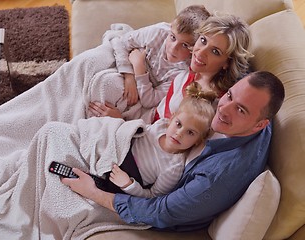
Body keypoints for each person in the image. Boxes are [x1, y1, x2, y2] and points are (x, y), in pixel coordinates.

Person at [62, 70, 285, 231]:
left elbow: (159, 210)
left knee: (55, 145)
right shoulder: (254, 96)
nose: (223, 110)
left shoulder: (216, 179)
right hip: (133, 149)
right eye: (229, 96)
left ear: (260, 125)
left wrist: (93, 192)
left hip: (143, 200)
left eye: (240, 109)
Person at [88, 12, 254, 125]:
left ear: (227, 62)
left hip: (137, 129)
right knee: (95, 63)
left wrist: (120, 121)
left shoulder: (204, 99)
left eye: (215, 51)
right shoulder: (188, 72)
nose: (200, 53)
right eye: (203, 41)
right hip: (135, 116)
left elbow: (166, 135)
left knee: (104, 85)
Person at [109, 82, 217, 198]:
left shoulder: (173, 168)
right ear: (171, 119)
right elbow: (135, 131)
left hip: (125, 175)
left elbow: (152, 196)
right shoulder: (160, 125)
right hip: (117, 148)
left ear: (198, 141)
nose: (179, 133)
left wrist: (128, 184)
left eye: (190, 132)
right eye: (178, 124)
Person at [104, 5, 211, 107]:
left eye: (184, 45)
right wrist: (129, 76)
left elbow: (149, 100)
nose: (173, 48)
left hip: (138, 75)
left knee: (109, 89)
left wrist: (138, 68)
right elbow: (121, 42)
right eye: (173, 37)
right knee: (92, 59)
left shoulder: (183, 74)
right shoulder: (159, 32)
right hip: (125, 65)